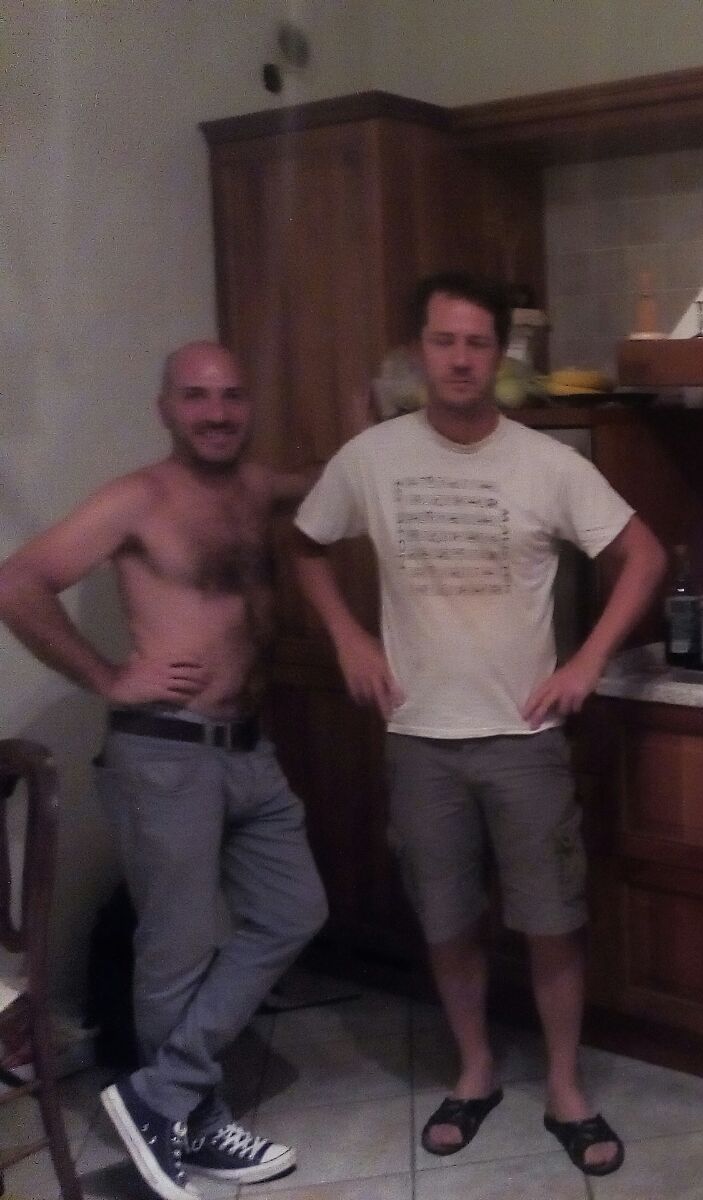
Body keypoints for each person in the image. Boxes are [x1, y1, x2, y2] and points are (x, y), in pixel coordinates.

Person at [290, 272, 666, 1178]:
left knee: (551, 921)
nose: (460, 359)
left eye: (477, 343)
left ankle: (566, 1086)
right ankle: (475, 1070)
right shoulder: (371, 458)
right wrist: (347, 636)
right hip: (418, 736)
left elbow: (644, 555)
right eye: (444, 341)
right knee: (448, 921)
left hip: (524, 739)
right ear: (419, 351)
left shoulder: (546, 464)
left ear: (499, 356)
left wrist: (586, 663)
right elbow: (303, 546)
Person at [0, 342, 328, 1200]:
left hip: (250, 749)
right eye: (196, 397)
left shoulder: (257, 488)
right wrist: (109, 676)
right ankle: (192, 1118)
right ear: (167, 408)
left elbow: (321, 482)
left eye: (231, 396)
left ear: (248, 404)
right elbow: (18, 582)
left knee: (294, 910)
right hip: (167, 752)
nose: (216, 413)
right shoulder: (137, 498)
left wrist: (374, 429)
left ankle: (162, 1096)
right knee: (177, 953)